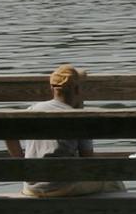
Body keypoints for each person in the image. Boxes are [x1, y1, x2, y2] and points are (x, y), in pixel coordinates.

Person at [7, 65, 124, 197]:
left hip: (31, 187)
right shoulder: (80, 118)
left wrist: (22, 161)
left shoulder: (32, 110)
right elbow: (88, 160)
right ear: (77, 90)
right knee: (113, 180)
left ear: (52, 88)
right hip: (63, 187)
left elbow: (8, 135)